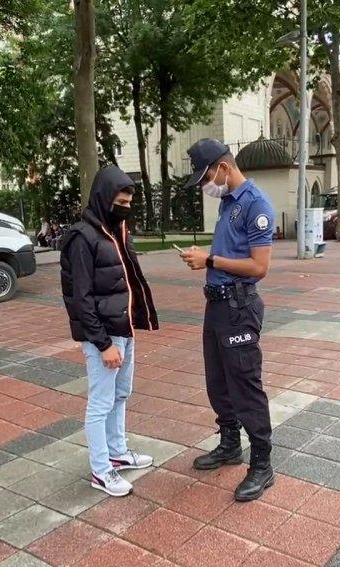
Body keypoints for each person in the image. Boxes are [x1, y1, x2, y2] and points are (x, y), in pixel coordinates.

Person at [178, 139, 275, 502]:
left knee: (245, 386)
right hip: (217, 306)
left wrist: (210, 261)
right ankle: (230, 444)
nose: (205, 185)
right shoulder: (226, 205)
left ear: (223, 168)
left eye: (206, 177)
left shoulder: (255, 205)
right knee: (218, 382)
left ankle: (262, 464)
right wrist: (205, 261)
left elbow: (259, 267)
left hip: (238, 307)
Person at [60, 165, 159, 497]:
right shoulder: (82, 237)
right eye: (119, 201)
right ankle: (101, 471)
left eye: (129, 202)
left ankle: (117, 453)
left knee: (120, 395)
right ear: (104, 198)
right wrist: (103, 344)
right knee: (100, 402)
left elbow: (129, 281)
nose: (125, 207)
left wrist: (132, 327)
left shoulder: (118, 231)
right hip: (103, 336)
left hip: (124, 330)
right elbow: (80, 298)